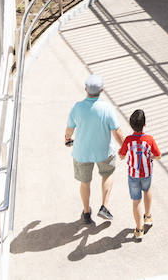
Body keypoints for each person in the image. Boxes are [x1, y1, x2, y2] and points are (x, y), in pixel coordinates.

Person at [65, 73, 124, 225]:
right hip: (104, 152)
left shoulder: (77, 107)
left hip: (81, 153)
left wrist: (67, 138)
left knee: (85, 183)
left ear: (85, 89)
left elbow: (69, 129)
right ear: (102, 90)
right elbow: (117, 132)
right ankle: (104, 206)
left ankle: (86, 212)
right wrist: (125, 147)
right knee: (107, 175)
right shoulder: (107, 108)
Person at [117, 108, 161, 242]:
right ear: (145, 124)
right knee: (147, 191)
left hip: (133, 175)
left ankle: (139, 229)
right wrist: (151, 157)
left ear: (131, 125)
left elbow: (122, 156)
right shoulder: (149, 139)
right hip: (147, 172)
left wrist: (120, 153)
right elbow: (158, 155)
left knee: (136, 201)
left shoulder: (128, 140)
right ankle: (147, 216)